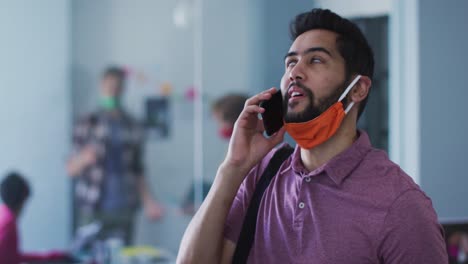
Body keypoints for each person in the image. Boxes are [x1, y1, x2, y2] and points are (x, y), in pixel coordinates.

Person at [177, 8, 448, 263]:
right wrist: (232, 168)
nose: (294, 72)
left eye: (315, 60)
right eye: (290, 62)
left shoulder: (402, 206)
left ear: (358, 89)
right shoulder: (262, 174)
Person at [67, 66, 163, 245]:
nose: (113, 92)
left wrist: (149, 201)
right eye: (109, 87)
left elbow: (138, 169)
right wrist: (84, 158)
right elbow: (70, 169)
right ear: (101, 87)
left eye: (117, 88)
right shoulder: (87, 122)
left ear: (123, 89)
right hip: (93, 207)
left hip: (125, 208)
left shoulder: (133, 124)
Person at [0, 172, 70, 263]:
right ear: (21, 199)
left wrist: (50, 256)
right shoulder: (8, 222)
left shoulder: (3, 213)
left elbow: (13, 257)